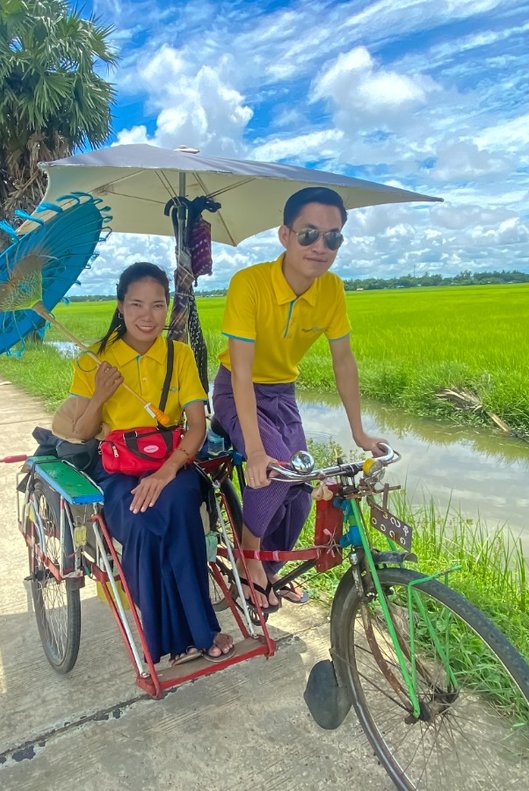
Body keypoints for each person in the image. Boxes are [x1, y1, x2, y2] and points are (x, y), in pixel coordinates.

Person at [212, 187, 386, 609]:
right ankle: (250, 556)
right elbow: (243, 372)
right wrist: (256, 452)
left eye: (333, 237)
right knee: (275, 471)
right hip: (238, 388)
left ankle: (271, 568)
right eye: (309, 234)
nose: (320, 246)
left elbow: (343, 360)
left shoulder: (332, 289)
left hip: (282, 393)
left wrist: (360, 433)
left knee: (301, 488)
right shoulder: (250, 284)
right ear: (285, 235)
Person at [64, 262, 234, 665]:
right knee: (141, 524)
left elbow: (196, 426)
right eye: (136, 304)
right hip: (117, 470)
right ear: (120, 306)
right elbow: (82, 433)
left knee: (178, 510)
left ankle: (201, 631)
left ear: (167, 307)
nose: (148, 315)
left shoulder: (179, 355)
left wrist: (164, 472)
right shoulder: (95, 359)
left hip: (174, 464)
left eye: (158, 305)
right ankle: (170, 638)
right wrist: (100, 394)